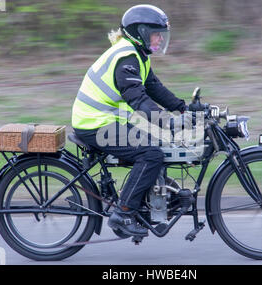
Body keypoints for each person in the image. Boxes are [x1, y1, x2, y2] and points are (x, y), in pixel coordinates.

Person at [71, 4, 192, 237]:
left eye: (161, 35)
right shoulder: (126, 57)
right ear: (141, 32)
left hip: (104, 121)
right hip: (94, 124)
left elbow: (154, 88)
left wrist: (183, 108)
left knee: (158, 143)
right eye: (156, 34)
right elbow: (138, 100)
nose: (159, 40)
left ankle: (150, 199)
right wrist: (168, 121)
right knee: (150, 153)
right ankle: (123, 212)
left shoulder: (138, 56)